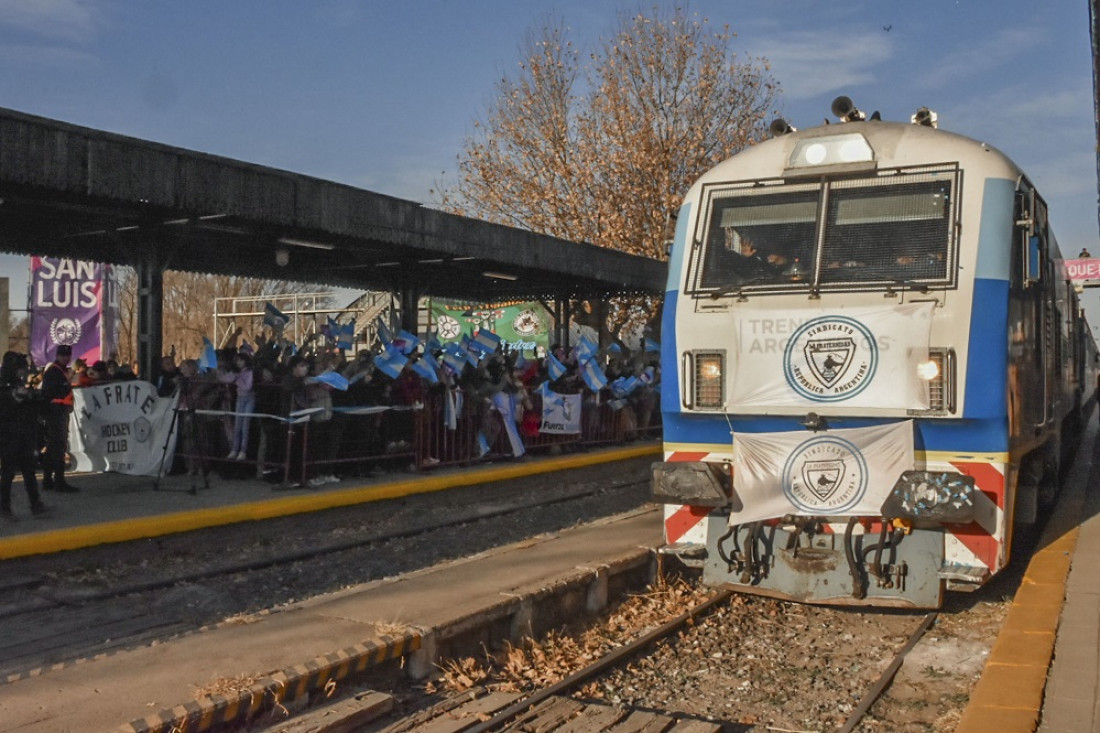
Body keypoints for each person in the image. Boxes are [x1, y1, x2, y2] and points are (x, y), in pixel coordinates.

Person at [0, 352, 47, 519]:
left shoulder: (19, 384)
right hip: (8, 435)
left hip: (24, 434)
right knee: (8, 473)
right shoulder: (4, 385)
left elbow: (32, 406)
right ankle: (5, 507)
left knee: (29, 471)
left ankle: (36, 504)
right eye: (20, 369)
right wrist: (16, 397)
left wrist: (33, 397)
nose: (22, 372)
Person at [38, 344, 78, 492]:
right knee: (58, 447)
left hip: (60, 412)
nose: (66, 358)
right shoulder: (54, 372)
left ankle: (48, 480)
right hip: (55, 413)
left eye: (68, 355)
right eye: (64, 355)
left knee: (53, 447)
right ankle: (59, 481)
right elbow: (54, 392)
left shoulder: (60, 371)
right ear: (58, 356)